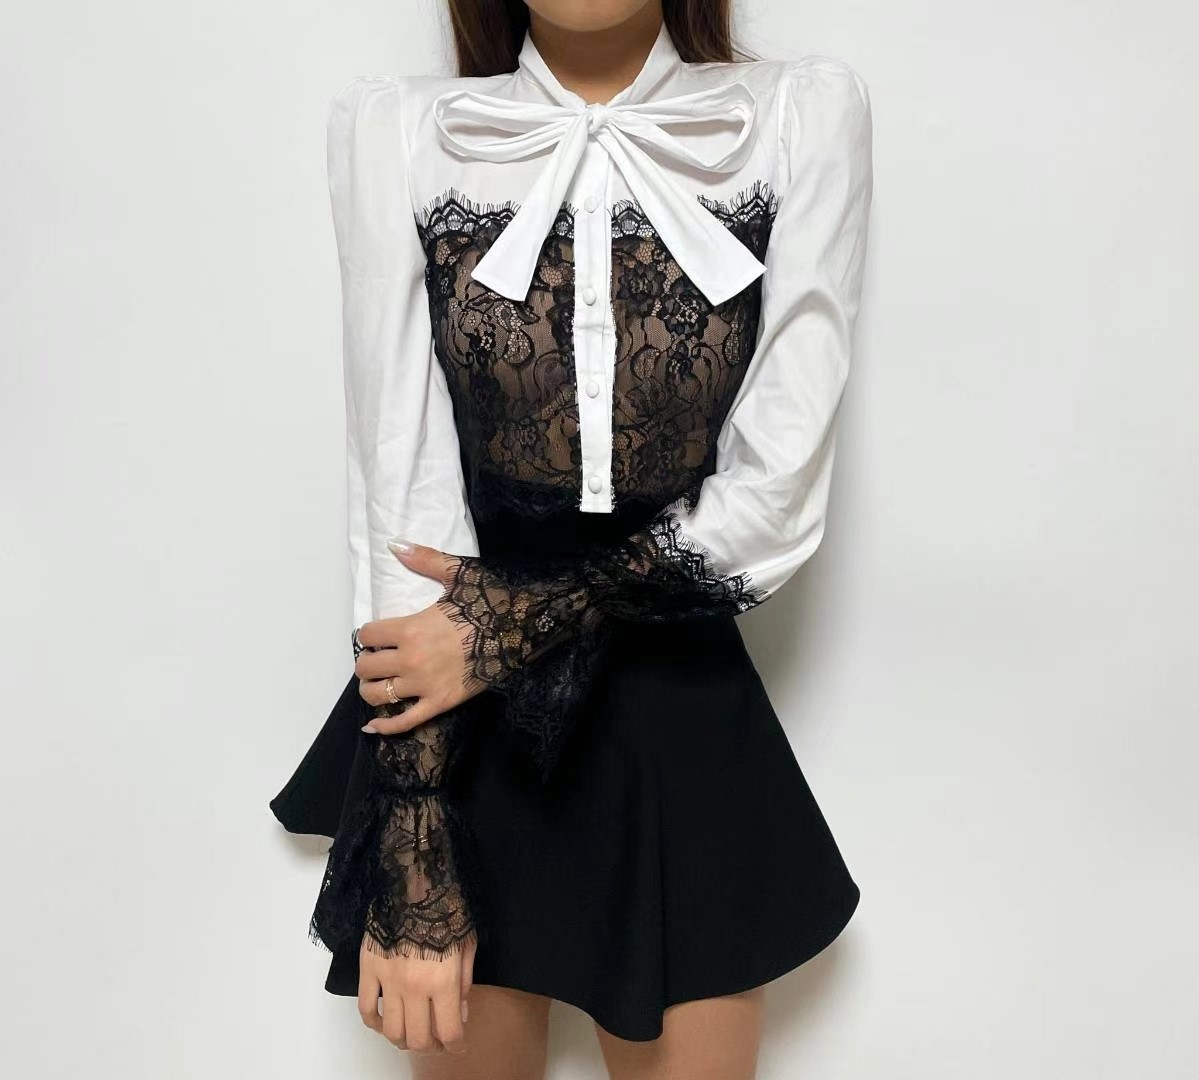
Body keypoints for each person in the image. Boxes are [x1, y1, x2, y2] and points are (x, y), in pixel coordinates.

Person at [270, 0, 874, 1075]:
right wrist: (414, 820)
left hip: (672, 693)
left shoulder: (793, 114)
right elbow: (397, 488)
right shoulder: (399, 130)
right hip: (465, 712)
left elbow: (775, 493)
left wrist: (513, 625)